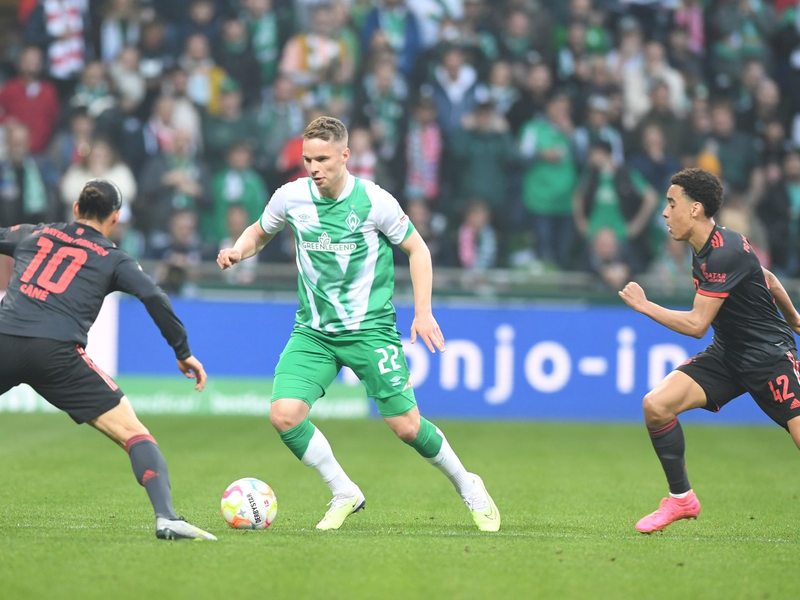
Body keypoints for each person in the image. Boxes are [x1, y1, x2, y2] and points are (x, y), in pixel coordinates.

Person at [217, 116, 500, 532]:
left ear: (345, 156)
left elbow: (418, 250)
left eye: (323, 159)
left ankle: (468, 484)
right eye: (308, 159)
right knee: (284, 414)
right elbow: (260, 232)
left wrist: (423, 312)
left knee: (406, 427)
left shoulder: (374, 201)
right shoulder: (291, 197)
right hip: (314, 332)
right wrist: (238, 250)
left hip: (370, 330)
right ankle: (344, 491)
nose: (314, 168)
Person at [0, 179, 215, 541]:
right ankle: (166, 517)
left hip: (5, 338)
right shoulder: (114, 258)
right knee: (134, 433)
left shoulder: (34, 234)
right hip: (56, 354)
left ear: (74, 209)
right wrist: (183, 351)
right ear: (115, 218)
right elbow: (153, 295)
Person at [619, 168, 800, 533]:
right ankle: (681, 500)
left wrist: (645, 306)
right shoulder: (708, 249)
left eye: (672, 204)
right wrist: (797, 321)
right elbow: (768, 278)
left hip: (768, 357)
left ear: (696, 208)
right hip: (729, 354)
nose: (665, 213)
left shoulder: (723, 253)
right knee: (656, 405)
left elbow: (696, 325)